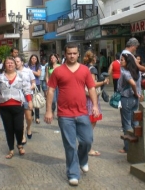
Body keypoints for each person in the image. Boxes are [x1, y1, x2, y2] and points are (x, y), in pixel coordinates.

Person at [45, 44, 98, 186]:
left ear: (78, 54)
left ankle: (83, 159)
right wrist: (49, 110)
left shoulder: (85, 70)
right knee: (70, 145)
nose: (72, 56)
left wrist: (95, 105)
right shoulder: (58, 71)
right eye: (69, 53)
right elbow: (50, 91)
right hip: (65, 114)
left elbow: (91, 88)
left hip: (82, 112)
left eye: (74, 53)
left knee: (87, 140)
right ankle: (73, 173)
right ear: (65, 54)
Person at [0, 56, 32, 159]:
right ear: (4, 65)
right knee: (9, 129)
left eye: (12, 63)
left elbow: (26, 90)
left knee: (19, 127)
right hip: (4, 106)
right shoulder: (0, 78)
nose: (10, 64)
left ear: (15, 65)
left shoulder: (21, 76)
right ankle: (11, 149)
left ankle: (19, 144)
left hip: (18, 106)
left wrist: (29, 101)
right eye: (8, 63)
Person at [83, 51, 109, 157]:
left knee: (88, 124)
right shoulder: (92, 69)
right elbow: (92, 84)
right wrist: (103, 82)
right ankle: (88, 148)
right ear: (93, 58)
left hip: (85, 97)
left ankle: (86, 146)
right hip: (91, 98)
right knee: (91, 125)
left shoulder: (84, 67)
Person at [118, 53, 142, 154]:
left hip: (127, 98)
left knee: (127, 123)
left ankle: (127, 147)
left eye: (122, 60)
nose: (120, 61)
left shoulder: (125, 72)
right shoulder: (137, 71)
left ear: (127, 62)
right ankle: (137, 145)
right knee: (135, 122)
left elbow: (132, 83)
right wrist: (137, 94)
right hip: (135, 99)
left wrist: (135, 92)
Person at [15, 56, 35, 143]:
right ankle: (22, 135)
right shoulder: (12, 72)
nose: (16, 63)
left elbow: (33, 82)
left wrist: (31, 87)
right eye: (14, 61)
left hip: (28, 95)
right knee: (21, 117)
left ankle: (28, 127)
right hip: (17, 97)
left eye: (18, 61)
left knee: (29, 117)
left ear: (22, 62)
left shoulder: (28, 71)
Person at [27, 54, 42, 124]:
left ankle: (37, 117)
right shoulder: (27, 65)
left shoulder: (38, 66)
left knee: (36, 101)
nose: (34, 60)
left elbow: (38, 74)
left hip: (37, 85)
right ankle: (32, 114)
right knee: (30, 100)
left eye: (35, 59)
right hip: (29, 85)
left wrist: (30, 71)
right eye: (32, 58)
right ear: (30, 59)